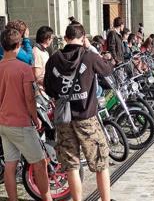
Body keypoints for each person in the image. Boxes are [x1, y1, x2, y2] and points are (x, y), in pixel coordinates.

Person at [44, 23, 113, 201]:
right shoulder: (89, 56)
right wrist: (90, 48)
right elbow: (107, 69)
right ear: (83, 38)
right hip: (87, 117)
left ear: (65, 38)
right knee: (100, 162)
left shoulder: (54, 59)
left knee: (71, 165)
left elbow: (49, 89)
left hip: (64, 119)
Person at [0, 29, 52, 201]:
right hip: (20, 122)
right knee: (40, 162)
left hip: (4, 122)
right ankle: (46, 197)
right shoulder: (23, 68)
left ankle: (13, 199)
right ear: (19, 45)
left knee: (10, 164)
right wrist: (35, 118)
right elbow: (29, 98)